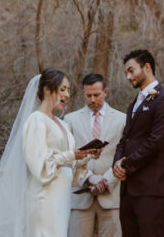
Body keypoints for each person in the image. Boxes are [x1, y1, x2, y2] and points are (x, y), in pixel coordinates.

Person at [0, 68, 99, 236]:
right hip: (44, 197)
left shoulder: (62, 123)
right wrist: (71, 154)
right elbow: (39, 166)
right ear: (47, 90)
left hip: (62, 197)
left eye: (68, 90)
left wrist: (85, 156)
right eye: (62, 89)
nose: (67, 95)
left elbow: (68, 166)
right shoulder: (36, 120)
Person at [113, 49, 164, 237]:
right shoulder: (134, 103)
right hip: (128, 190)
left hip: (152, 190)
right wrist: (116, 163)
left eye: (131, 70)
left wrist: (126, 164)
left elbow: (156, 142)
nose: (128, 77)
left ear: (147, 67)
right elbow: (125, 139)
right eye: (126, 72)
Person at [65, 73, 126, 237]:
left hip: (112, 196)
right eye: (88, 95)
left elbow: (124, 157)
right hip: (80, 197)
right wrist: (89, 178)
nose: (92, 100)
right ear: (83, 93)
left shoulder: (122, 120)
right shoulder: (70, 120)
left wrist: (105, 180)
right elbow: (68, 158)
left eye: (97, 95)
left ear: (105, 92)